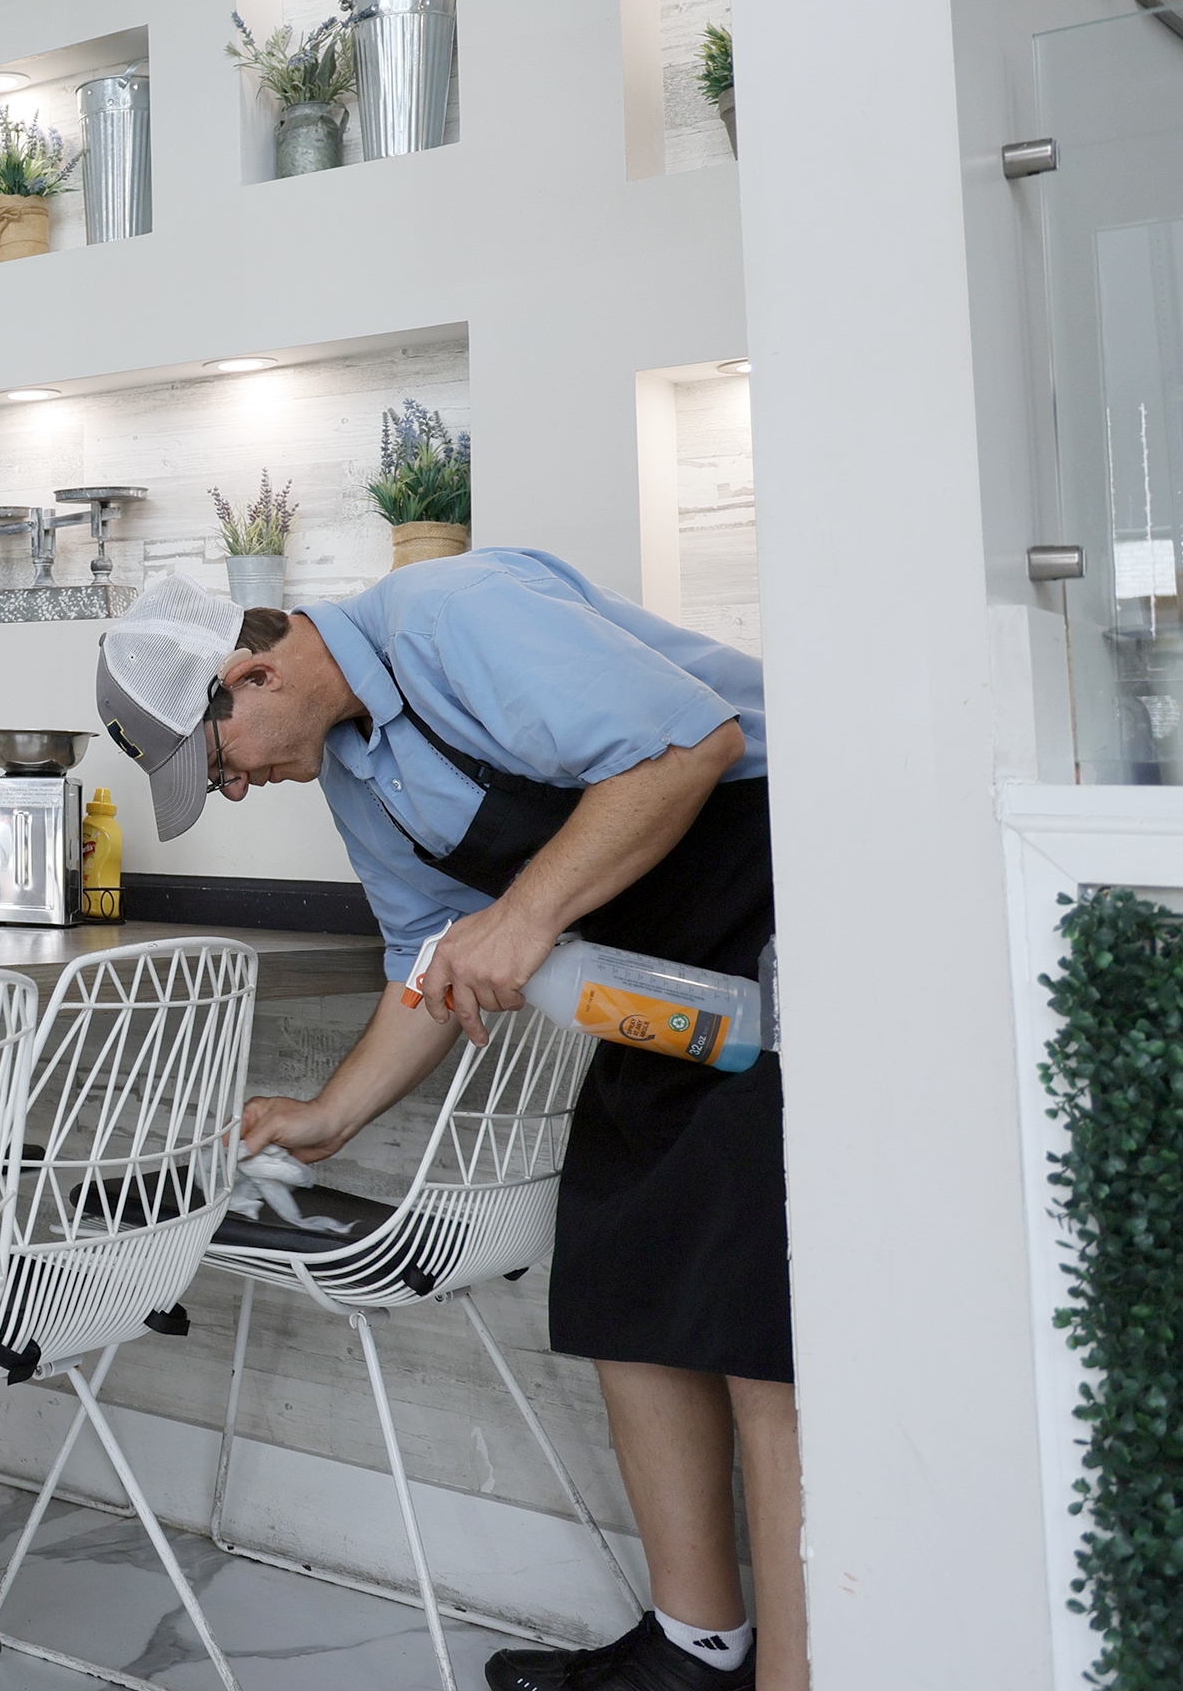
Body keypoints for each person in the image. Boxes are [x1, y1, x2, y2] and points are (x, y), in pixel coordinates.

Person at [93, 555, 798, 1691]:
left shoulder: (451, 618)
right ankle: (697, 1647)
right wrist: (330, 1112)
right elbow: (426, 961)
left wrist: (524, 915)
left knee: (766, 1325)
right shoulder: (358, 775)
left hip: (786, 902)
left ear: (255, 670)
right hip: (668, 982)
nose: (229, 790)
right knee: (624, 1270)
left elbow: (690, 747)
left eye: (216, 763)